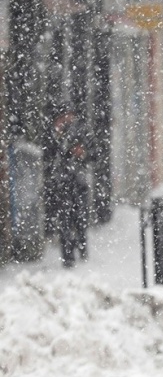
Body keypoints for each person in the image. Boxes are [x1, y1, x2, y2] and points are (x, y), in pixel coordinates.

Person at [48, 103, 89, 268]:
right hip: (62, 184)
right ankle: (68, 256)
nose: (67, 119)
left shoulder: (79, 131)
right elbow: (51, 156)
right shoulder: (53, 134)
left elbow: (89, 153)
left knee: (79, 218)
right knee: (65, 220)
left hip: (77, 182)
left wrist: (81, 153)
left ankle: (81, 247)